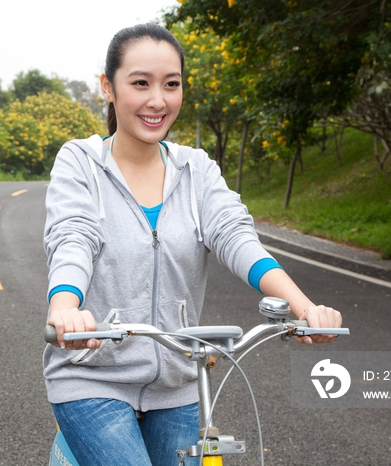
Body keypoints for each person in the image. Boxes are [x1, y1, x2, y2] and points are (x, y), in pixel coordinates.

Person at [43, 23, 342, 466]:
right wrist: (64, 309)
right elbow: (73, 237)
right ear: (108, 87)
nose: (157, 100)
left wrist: (304, 308)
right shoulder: (81, 163)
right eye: (140, 83)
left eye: (172, 84)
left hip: (180, 385)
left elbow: (236, 238)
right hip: (92, 379)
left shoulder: (197, 170)